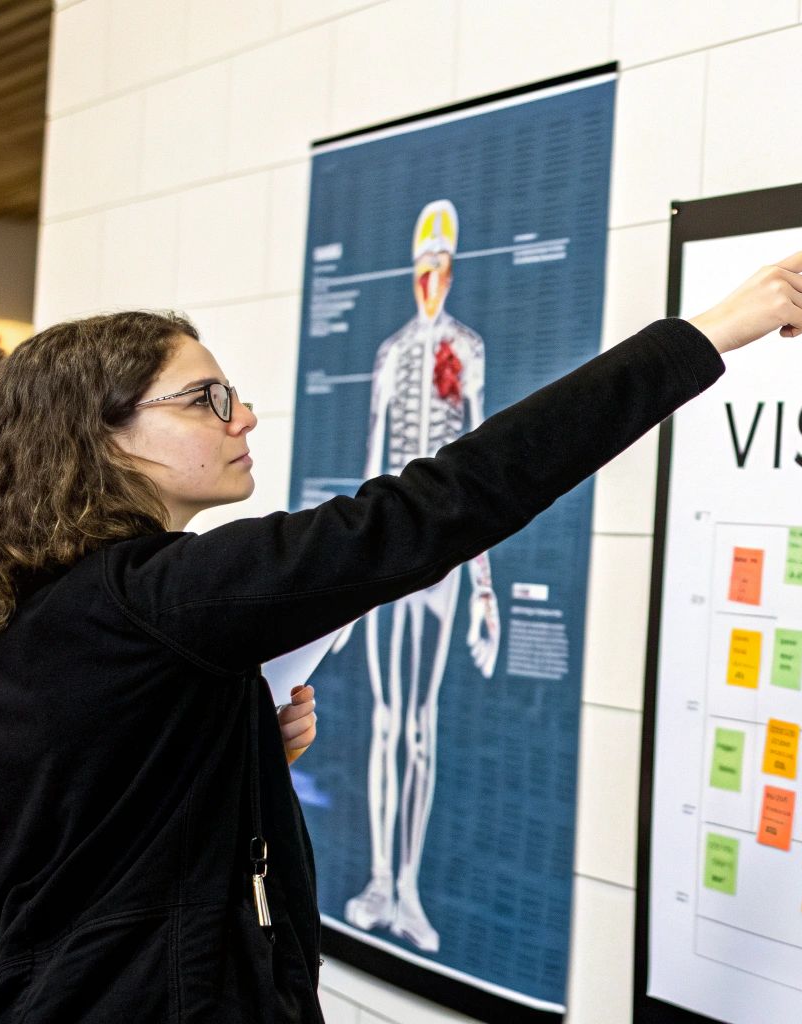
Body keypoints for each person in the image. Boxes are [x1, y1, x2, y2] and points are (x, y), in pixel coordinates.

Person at [0, 241, 802, 1023]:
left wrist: (232, 752)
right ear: (100, 438)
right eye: (204, 399)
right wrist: (704, 336)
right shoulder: (156, 599)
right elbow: (444, 502)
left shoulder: (41, 609)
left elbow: (78, 823)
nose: (243, 417)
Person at [336, 198, 496, 951]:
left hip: (443, 563)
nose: (429, 278)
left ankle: (407, 888)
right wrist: (339, 582)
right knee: (383, 721)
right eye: (419, 267)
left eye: (440, 266)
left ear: (452, 270)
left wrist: (485, 592)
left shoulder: (465, 350)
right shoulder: (395, 353)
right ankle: (376, 880)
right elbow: (373, 465)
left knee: (420, 724)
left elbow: (488, 474)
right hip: (379, 554)